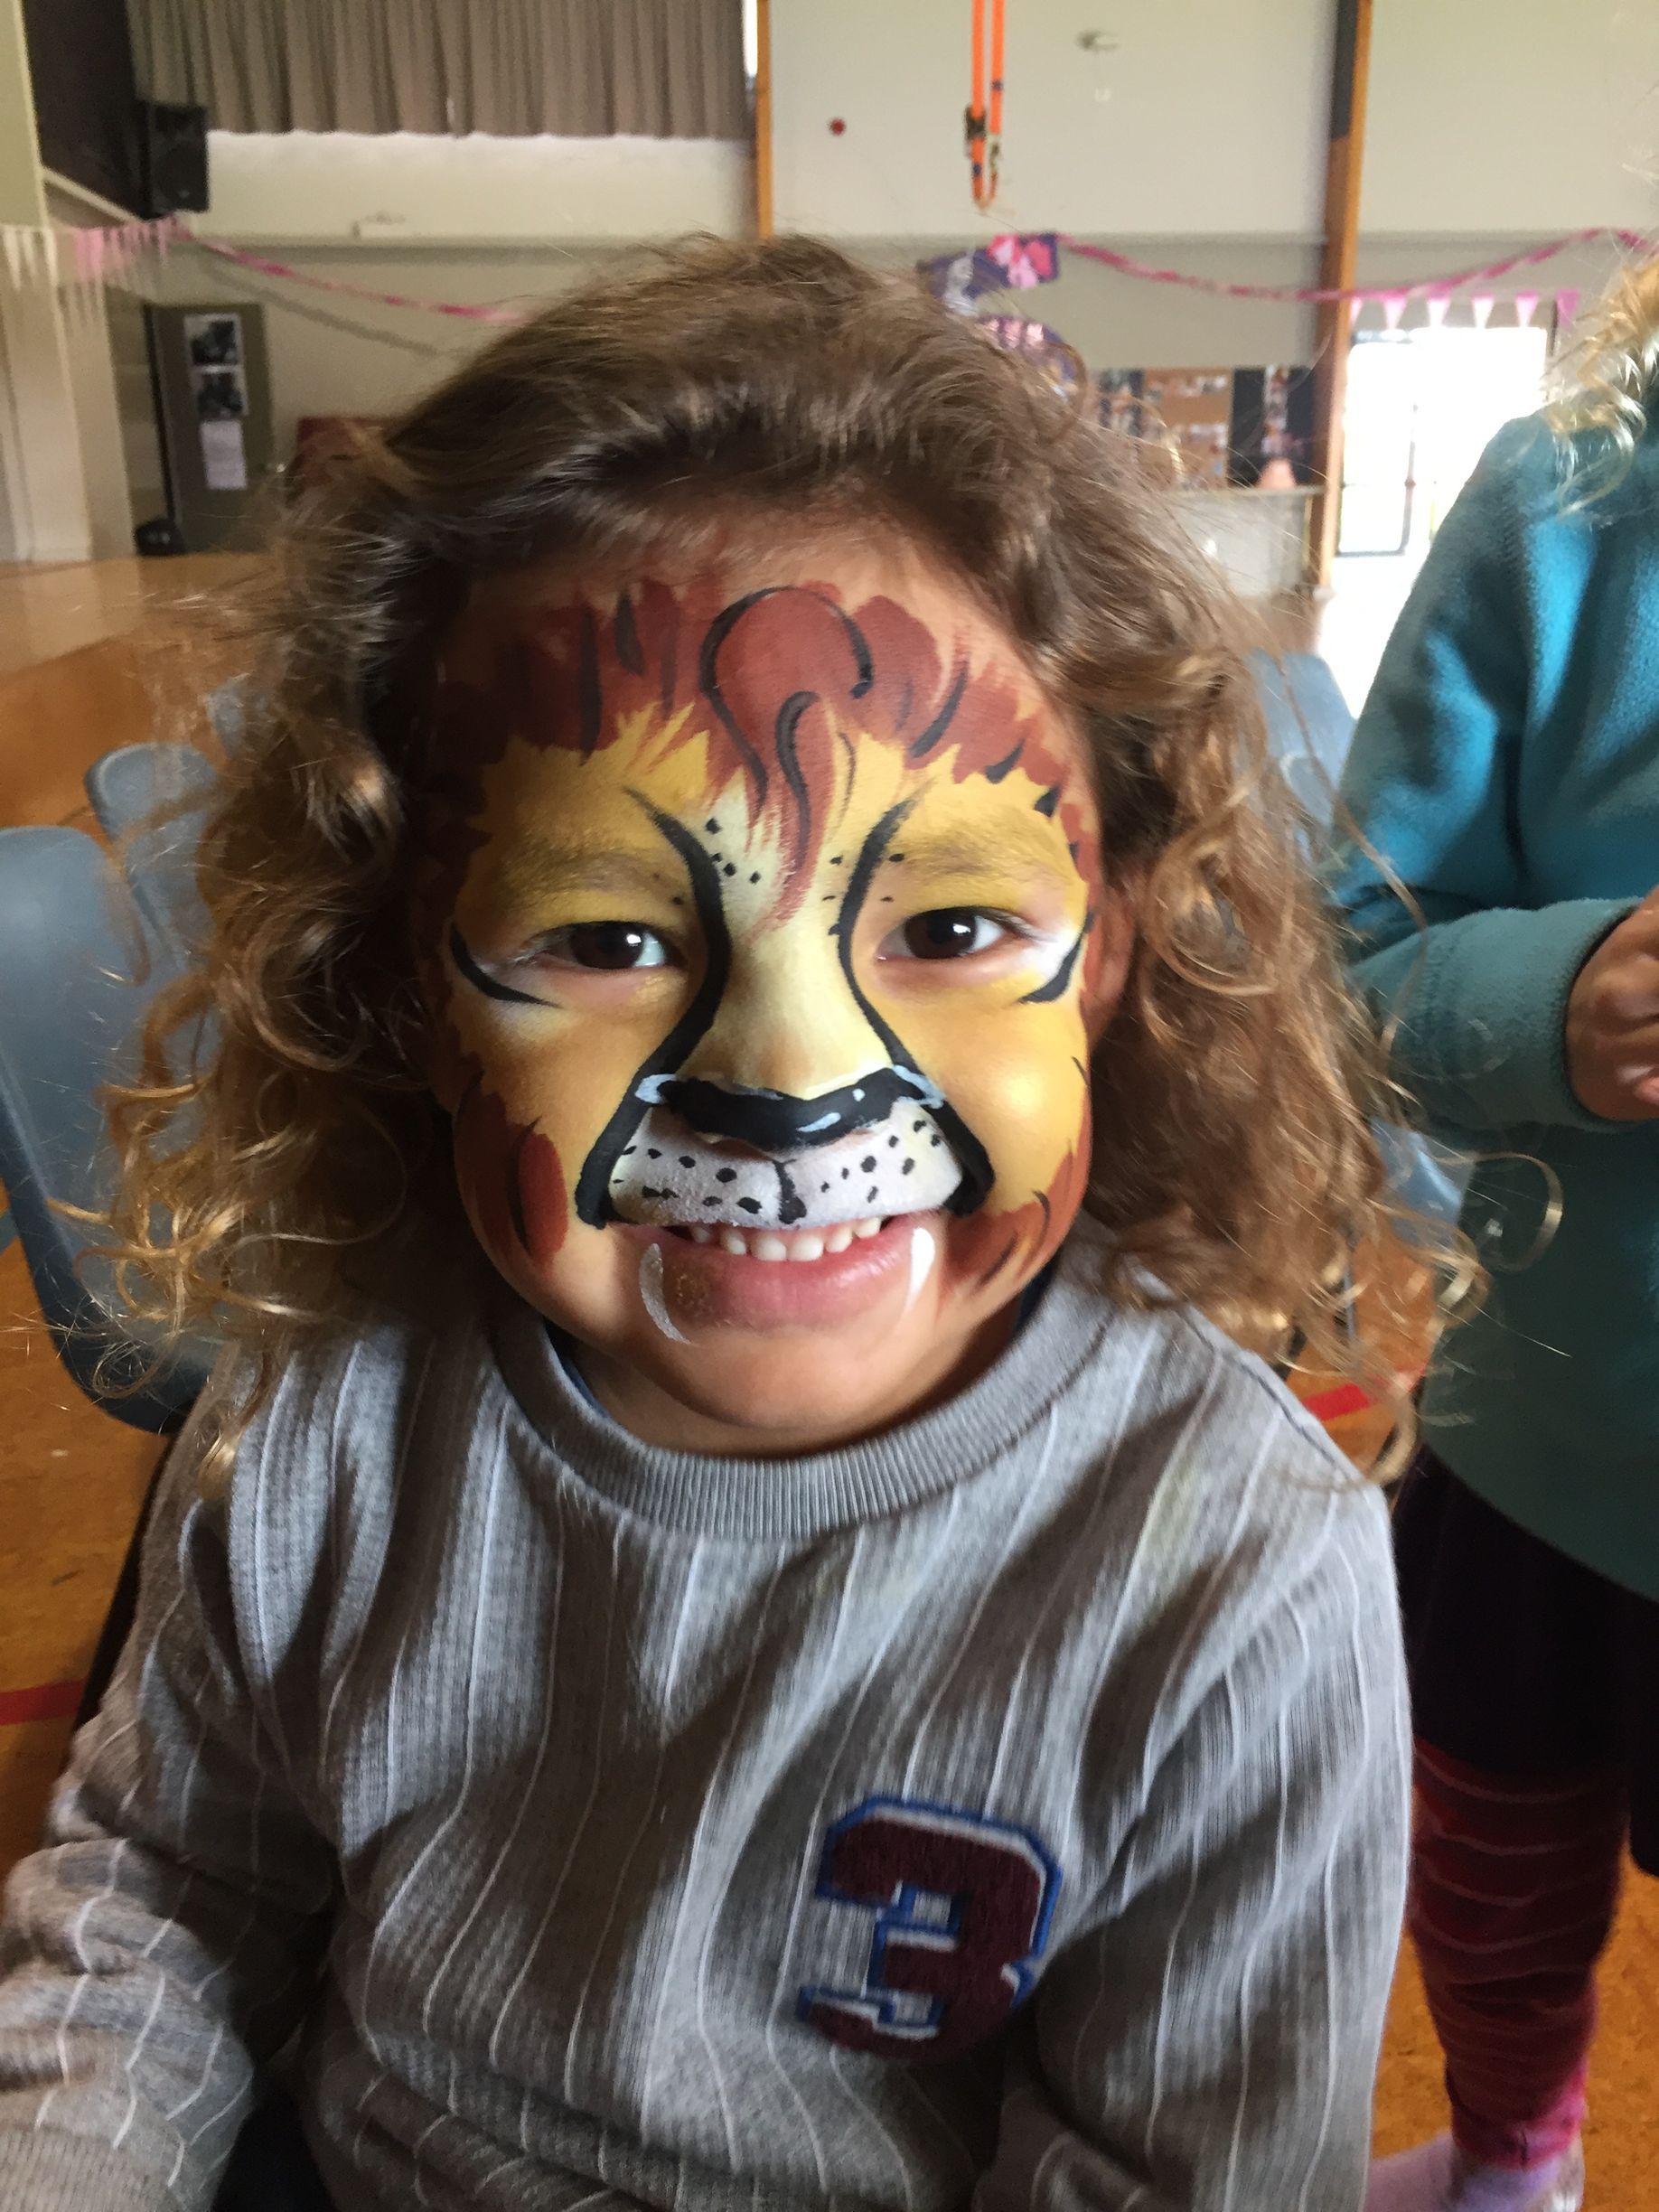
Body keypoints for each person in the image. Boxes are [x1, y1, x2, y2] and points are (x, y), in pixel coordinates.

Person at [0, 237, 1415, 2211]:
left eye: (949, 928)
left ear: (1119, 959)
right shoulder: (323, 1412)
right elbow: (161, 1899)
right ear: (402, 979)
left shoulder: (1234, 1579)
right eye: (606, 937)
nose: (784, 1074)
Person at [1336, 258, 1659, 2212]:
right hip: (1544, 1435)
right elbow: (1350, 958)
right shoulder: (1570, 503)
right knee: (1491, 1868)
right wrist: (1555, 1006)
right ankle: (1511, 2160)